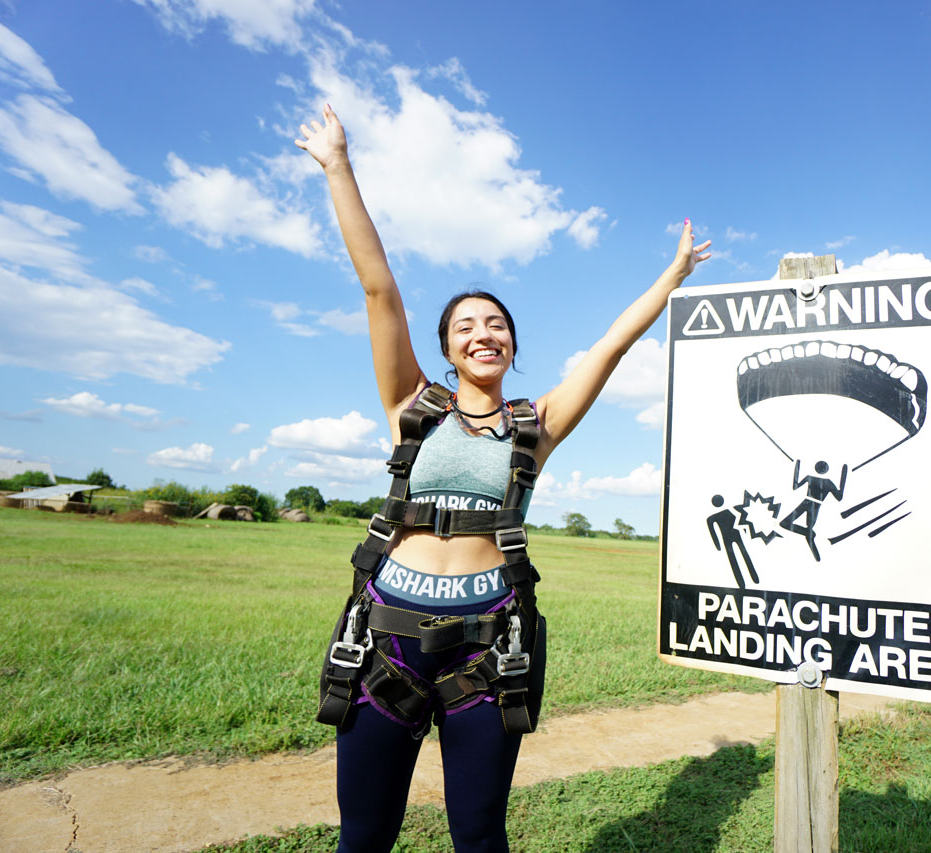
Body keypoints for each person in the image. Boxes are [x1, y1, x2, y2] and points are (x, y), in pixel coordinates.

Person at [297, 104, 710, 853]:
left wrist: (674, 275)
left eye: (497, 325)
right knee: (364, 834)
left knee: (481, 833)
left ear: (511, 346)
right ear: (449, 350)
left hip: (490, 645)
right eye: (466, 326)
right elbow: (379, 289)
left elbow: (610, 349)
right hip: (386, 630)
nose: (483, 332)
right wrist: (338, 168)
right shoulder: (409, 403)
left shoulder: (535, 422)